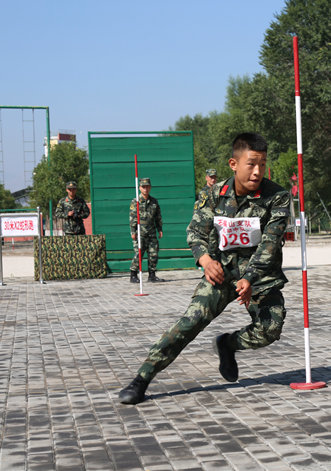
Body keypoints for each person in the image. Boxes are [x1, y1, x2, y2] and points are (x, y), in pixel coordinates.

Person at [118, 132, 290, 405]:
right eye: (251, 163)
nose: (257, 171)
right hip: (220, 273)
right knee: (189, 324)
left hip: (259, 276)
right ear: (234, 164)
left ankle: (227, 344)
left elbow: (270, 243)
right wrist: (205, 261)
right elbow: (195, 233)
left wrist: (250, 278)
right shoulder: (212, 195)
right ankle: (142, 378)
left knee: (270, 329)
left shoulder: (277, 197)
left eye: (263, 164)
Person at [130, 178, 164, 283]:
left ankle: (152, 275)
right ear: (139, 188)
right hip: (140, 232)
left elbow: (158, 216)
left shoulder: (154, 201)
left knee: (153, 253)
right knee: (139, 253)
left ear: (150, 187)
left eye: (147, 186)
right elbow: (132, 217)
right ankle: (133, 275)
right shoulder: (135, 201)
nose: (145, 189)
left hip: (151, 231)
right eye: (143, 187)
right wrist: (133, 231)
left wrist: (160, 229)